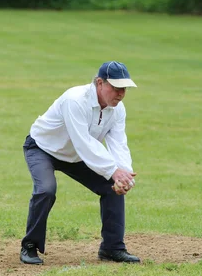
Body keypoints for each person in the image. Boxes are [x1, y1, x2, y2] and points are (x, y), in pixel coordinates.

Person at [20, 61, 140, 265]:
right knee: (46, 190)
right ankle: (30, 246)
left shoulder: (118, 110)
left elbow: (119, 143)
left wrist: (124, 176)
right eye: (116, 88)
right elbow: (83, 143)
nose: (120, 93)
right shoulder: (75, 100)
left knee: (112, 188)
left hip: (77, 156)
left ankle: (112, 248)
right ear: (100, 83)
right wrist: (112, 170)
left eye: (124, 89)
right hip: (43, 148)